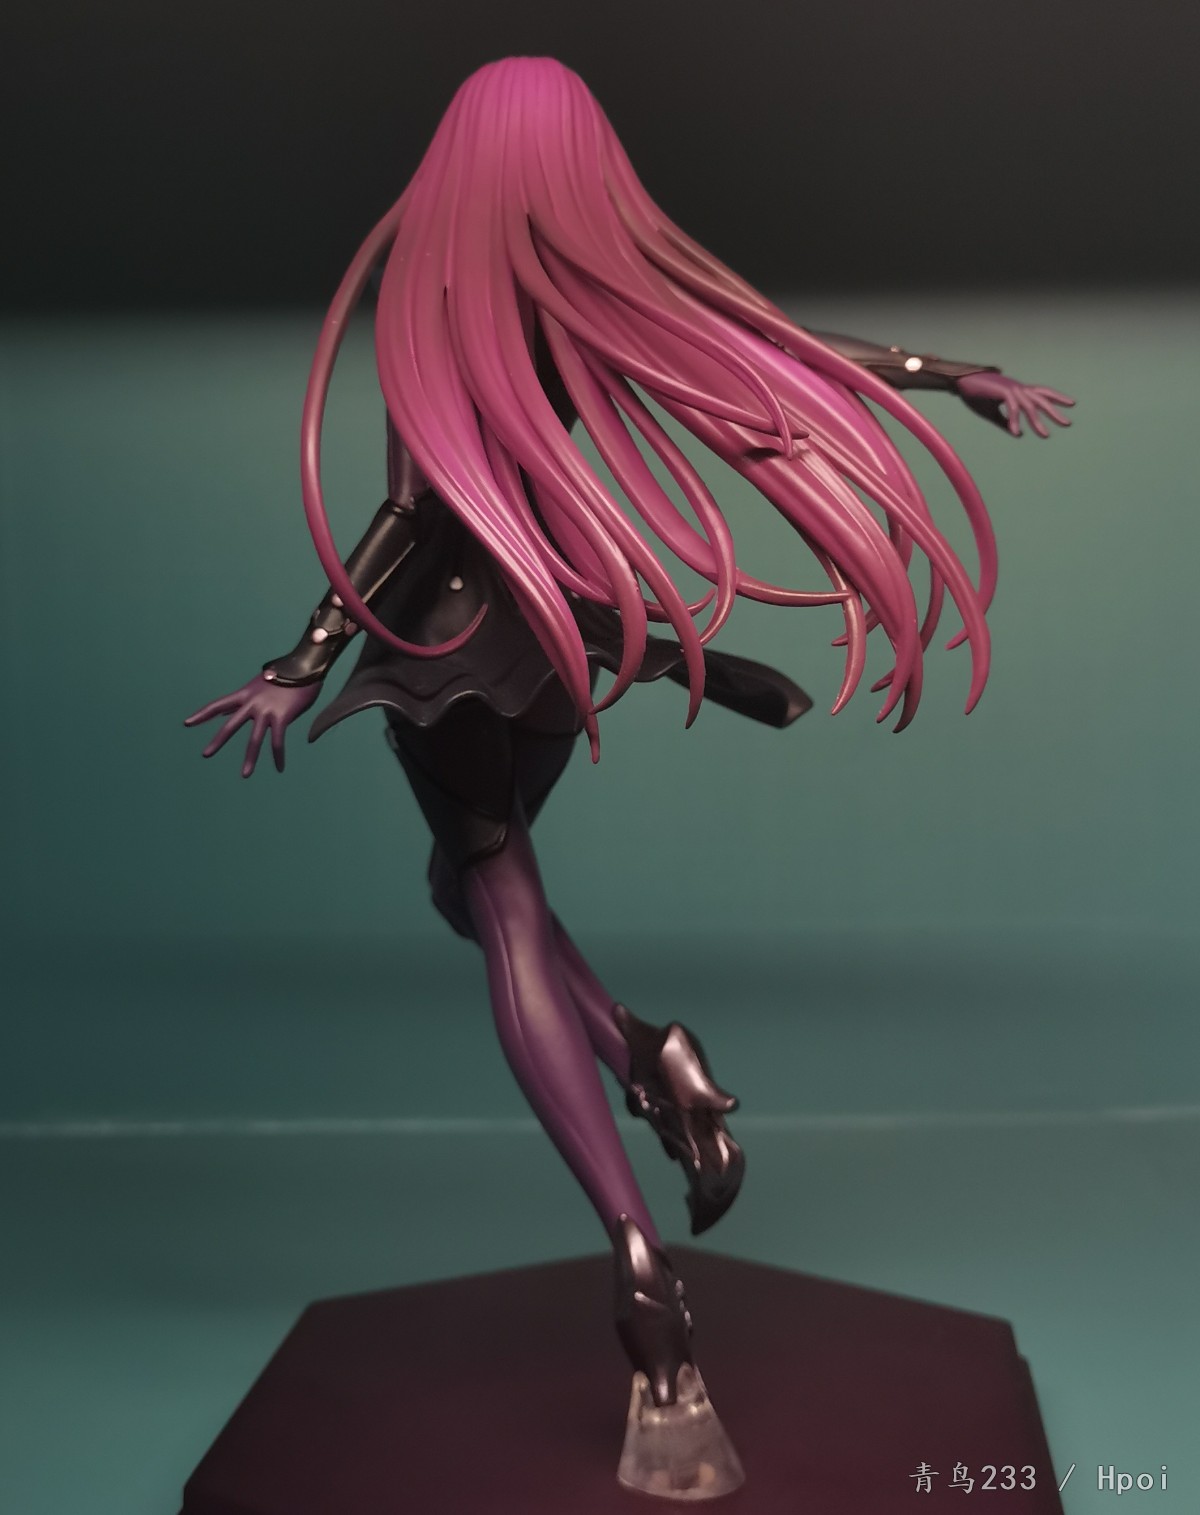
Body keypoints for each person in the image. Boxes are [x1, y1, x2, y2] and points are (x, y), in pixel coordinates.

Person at [186, 55, 1072, 1498]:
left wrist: (304, 655)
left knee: (497, 909)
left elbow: (412, 512)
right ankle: (655, 1059)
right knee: (470, 893)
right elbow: (780, 353)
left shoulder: (440, 293)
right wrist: (952, 375)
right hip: (560, 640)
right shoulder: (594, 293)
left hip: (449, 651)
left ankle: (639, 1265)